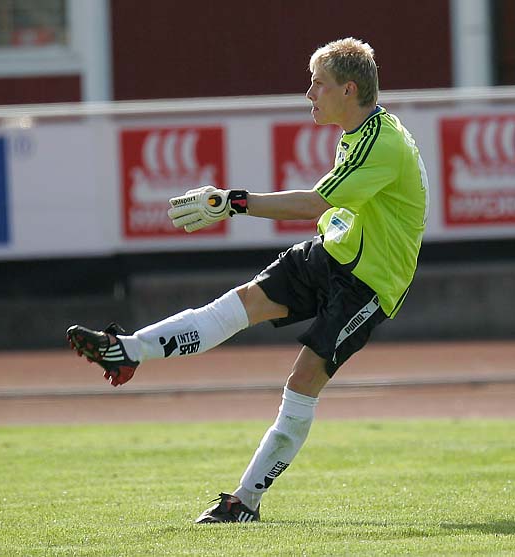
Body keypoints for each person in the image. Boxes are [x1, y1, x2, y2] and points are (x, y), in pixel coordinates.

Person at [67, 37, 429, 523]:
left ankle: (244, 503)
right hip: (332, 252)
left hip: (370, 284)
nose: (309, 93)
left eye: (317, 84)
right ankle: (127, 350)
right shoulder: (358, 132)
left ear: (348, 89)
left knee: (302, 382)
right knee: (235, 306)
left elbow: (314, 204)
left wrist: (236, 201)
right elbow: (330, 210)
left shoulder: (380, 143)